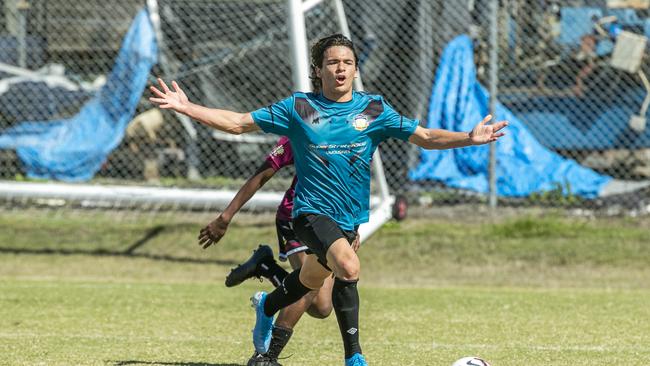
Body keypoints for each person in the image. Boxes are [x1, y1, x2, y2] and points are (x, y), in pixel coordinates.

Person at [150, 33, 507, 366]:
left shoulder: (373, 111)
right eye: (332, 63)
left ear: (355, 69)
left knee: (310, 286)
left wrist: (468, 137)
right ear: (318, 70)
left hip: (349, 220)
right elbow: (239, 123)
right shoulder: (300, 108)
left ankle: (267, 310)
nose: (340, 69)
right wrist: (187, 107)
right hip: (309, 215)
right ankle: (355, 357)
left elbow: (426, 136)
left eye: (347, 62)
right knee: (348, 268)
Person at [197, 135, 358, 365]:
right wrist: (226, 216)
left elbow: (354, 182)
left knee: (321, 307)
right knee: (310, 290)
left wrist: (354, 225)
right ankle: (265, 356)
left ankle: (266, 267)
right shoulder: (302, 126)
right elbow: (264, 172)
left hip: (335, 222)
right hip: (300, 216)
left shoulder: (356, 129)